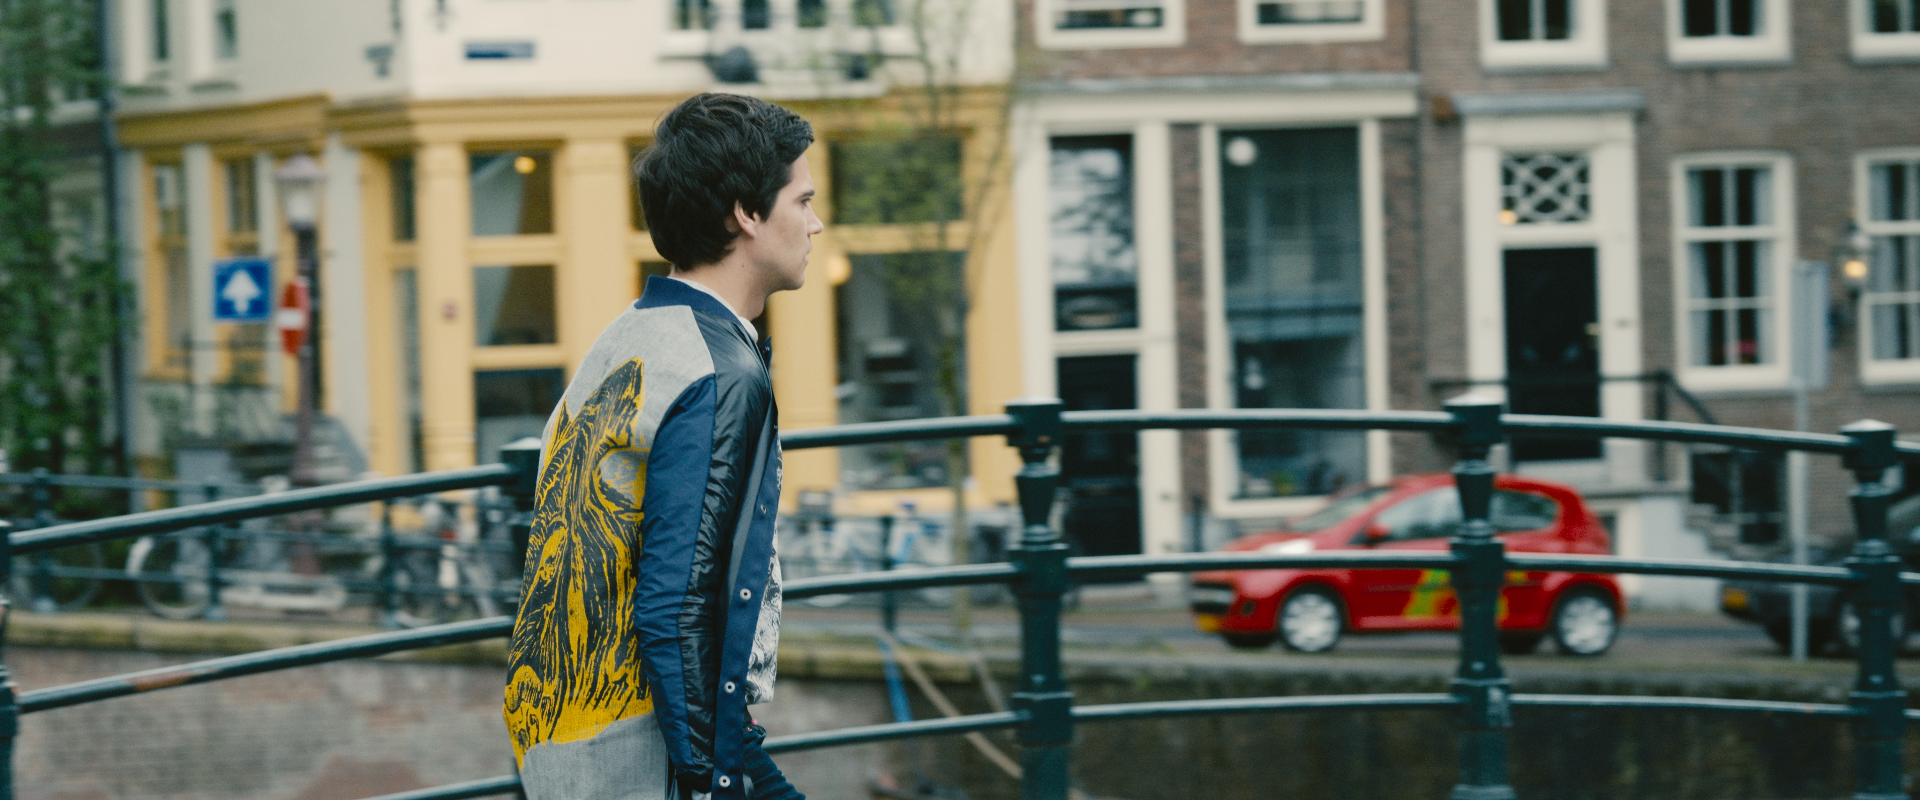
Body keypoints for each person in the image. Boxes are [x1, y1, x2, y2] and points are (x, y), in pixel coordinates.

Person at [503, 92, 821, 800]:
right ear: (746, 213)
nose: (815, 222)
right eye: (802, 201)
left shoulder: (630, 336)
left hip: (559, 734)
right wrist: (722, 779)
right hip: (635, 757)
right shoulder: (718, 373)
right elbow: (677, 605)